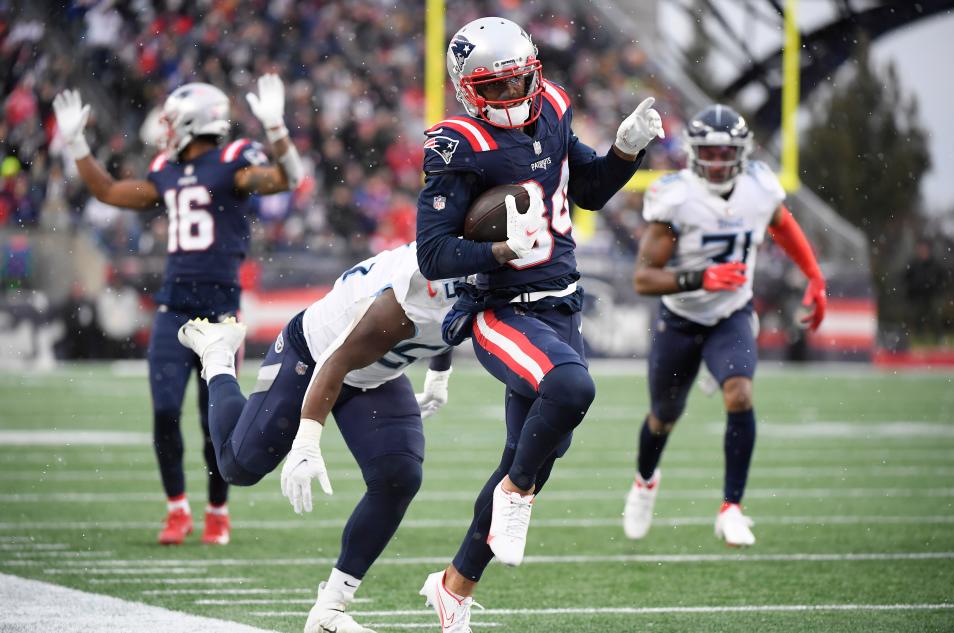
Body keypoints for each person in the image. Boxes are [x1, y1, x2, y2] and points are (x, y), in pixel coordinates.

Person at [414, 16, 663, 631]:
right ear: (467, 89)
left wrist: (626, 150)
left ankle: (454, 589)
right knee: (571, 389)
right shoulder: (457, 144)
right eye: (494, 89)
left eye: (519, 81)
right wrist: (498, 251)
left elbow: (592, 191)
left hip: (563, 301)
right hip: (499, 308)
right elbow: (434, 253)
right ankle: (516, 496)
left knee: (535, 449)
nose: (512, 97)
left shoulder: (550, 105)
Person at [53, 75, 305, 545]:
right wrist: (75, 142)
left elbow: (287, 178)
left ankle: (216, 510)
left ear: (192, 122)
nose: (165, 130)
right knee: (164, 411)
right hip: (174, 311)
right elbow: (108, 191)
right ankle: (176, 509)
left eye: (172, 121)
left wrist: (276, 128)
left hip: (221, 315)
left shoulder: (232, 162)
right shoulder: (166, 171)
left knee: (215, 422)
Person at [177, 242, 461, 633]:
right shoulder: (419, 283)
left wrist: (439, 374)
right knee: (237, 466)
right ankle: (217, 356)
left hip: (374, 371)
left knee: (399, 475)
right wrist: (307, 441)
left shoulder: (473, 274)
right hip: (315, 354)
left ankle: (330, 609)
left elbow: (453, 319)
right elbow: (337, 359)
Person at [623, 104, 828, 547]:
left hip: (731, 314)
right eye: (708, 153)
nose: (716, 162)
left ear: (742, 152)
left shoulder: (759, 187)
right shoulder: (676, 197)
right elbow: (643, 278)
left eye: (725, 153)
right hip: (679, 318)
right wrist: (703, 277)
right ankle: (644, 482)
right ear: (695, 154)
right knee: (663, 417)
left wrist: (814, 276)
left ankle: (731, 507)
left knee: (740, 393)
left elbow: (783, 226)